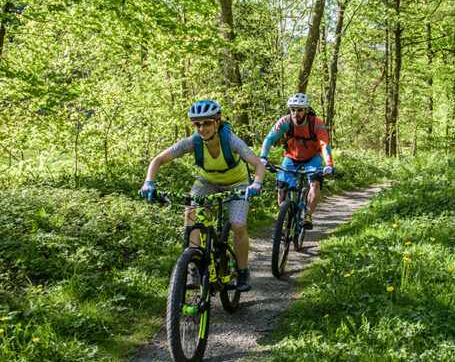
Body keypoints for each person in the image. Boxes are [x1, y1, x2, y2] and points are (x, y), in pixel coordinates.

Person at [140, 100, 266, 292]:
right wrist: (149, 182)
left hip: (237, 183)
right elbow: (158, 159)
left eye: (207, 123)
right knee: (190, 211)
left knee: (238, 226)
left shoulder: (230, 139)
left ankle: (242, 271)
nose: (202, 128)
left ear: (217, 123)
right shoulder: (193, 142)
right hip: (208, 182)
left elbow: (258, 164)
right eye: (197, 124)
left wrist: (256, 183)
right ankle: (192, 269)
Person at [259, 93, 334, 229]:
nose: (295, 113)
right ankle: (286, 218)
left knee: (315, 183)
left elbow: (324, 145)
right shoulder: (285, 122)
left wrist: (329, 165)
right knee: (281, 187)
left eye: (299, 109)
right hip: (291, 157)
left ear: (306, 110)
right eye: (292, 109)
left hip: (312, 158)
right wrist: (263, 156)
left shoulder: (317, 124)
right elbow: (269, 138)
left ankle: (308, 216)